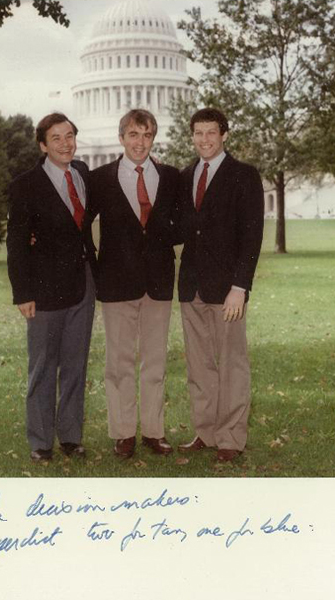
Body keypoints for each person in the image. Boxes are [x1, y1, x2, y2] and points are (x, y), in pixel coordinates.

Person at [88, 109, 180, 459]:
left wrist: (157, 238)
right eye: (133, 135)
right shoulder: (100, 179)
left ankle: (154, 432)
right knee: (119, 362)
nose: (139, 142)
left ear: (153, 138)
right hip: (115, 282)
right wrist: (95, 267)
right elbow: (81, 227)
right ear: (121, 137)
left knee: (154, 361)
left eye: (146, 135)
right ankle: (124, 432)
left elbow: (183, 223)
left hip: (157, 282)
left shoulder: (171, 178)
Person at [6, 112, 96, 462]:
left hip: (83, 283)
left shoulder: (83, 174)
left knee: (76, 364)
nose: (65, 143)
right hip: (43, 290)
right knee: (43, 366)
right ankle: (41, 441)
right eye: (56, 138)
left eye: (70, 135)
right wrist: (22, 293)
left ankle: (71, 437)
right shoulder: (25, 185)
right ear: (43, 145)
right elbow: (16, 242)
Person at [177, 107, 264, 462]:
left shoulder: (244, 175)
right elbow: (177, 228)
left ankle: (230, 436)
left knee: (232, 364)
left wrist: (239, 287)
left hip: (227, 290)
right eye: (198, 133)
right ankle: (206, 431)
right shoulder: (185, 176)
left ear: (224, 134)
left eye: (211, 132)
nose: (204, 139)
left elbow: (252, 235)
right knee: (199, 366)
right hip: (191, 287)